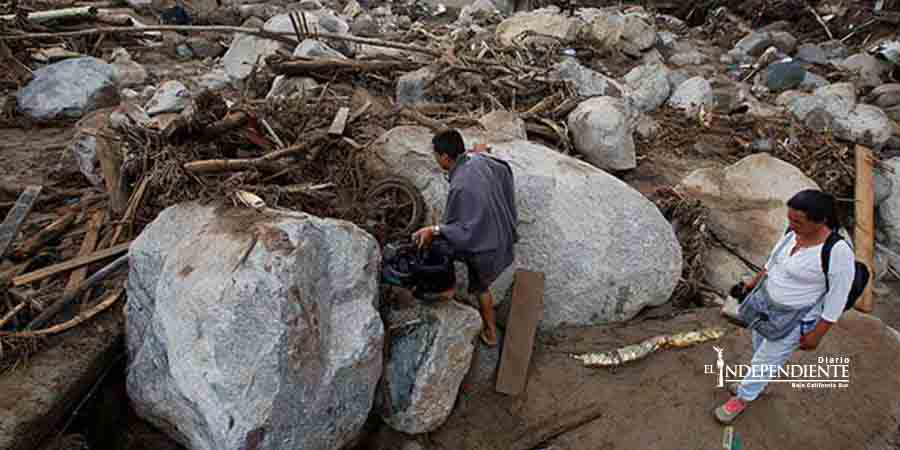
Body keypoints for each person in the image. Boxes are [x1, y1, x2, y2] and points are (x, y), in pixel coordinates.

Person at [714, 189, 855, 424]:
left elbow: (837, 299)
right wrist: (752, 285)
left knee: (765, 360)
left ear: (820, 221)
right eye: (789, 218)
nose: (791, 224)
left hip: (794, 319)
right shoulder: (792, 232)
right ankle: (754, 384)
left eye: (797, 221)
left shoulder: (837, 252)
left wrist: (817, 335)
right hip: (766, 307)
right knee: (760, 348)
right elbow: (772, 262)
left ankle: (743, 397)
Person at [412, 129, 518, 347]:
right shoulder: (477, 162)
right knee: (481, 286)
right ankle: (490, 333)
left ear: (444, 157)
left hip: (483, 245)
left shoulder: (461, 184)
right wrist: (482, 152)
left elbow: (466, 233)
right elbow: (499, 166)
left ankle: (446, 289)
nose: (435, 158)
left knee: (438, 244)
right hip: (498, 234)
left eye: (435, 154)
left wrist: (434, 230)